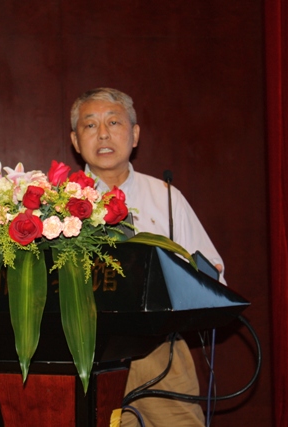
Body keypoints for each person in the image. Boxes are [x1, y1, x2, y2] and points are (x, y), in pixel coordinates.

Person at [69, 87, 225, 427]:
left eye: (114, 122)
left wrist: (202, 279)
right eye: (90, 125)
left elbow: (214, 277)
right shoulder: (57, 204)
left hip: (160, 354)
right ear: (76, 141)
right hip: (86, 356)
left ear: (135, 134)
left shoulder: (166, 198)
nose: (103, 134)